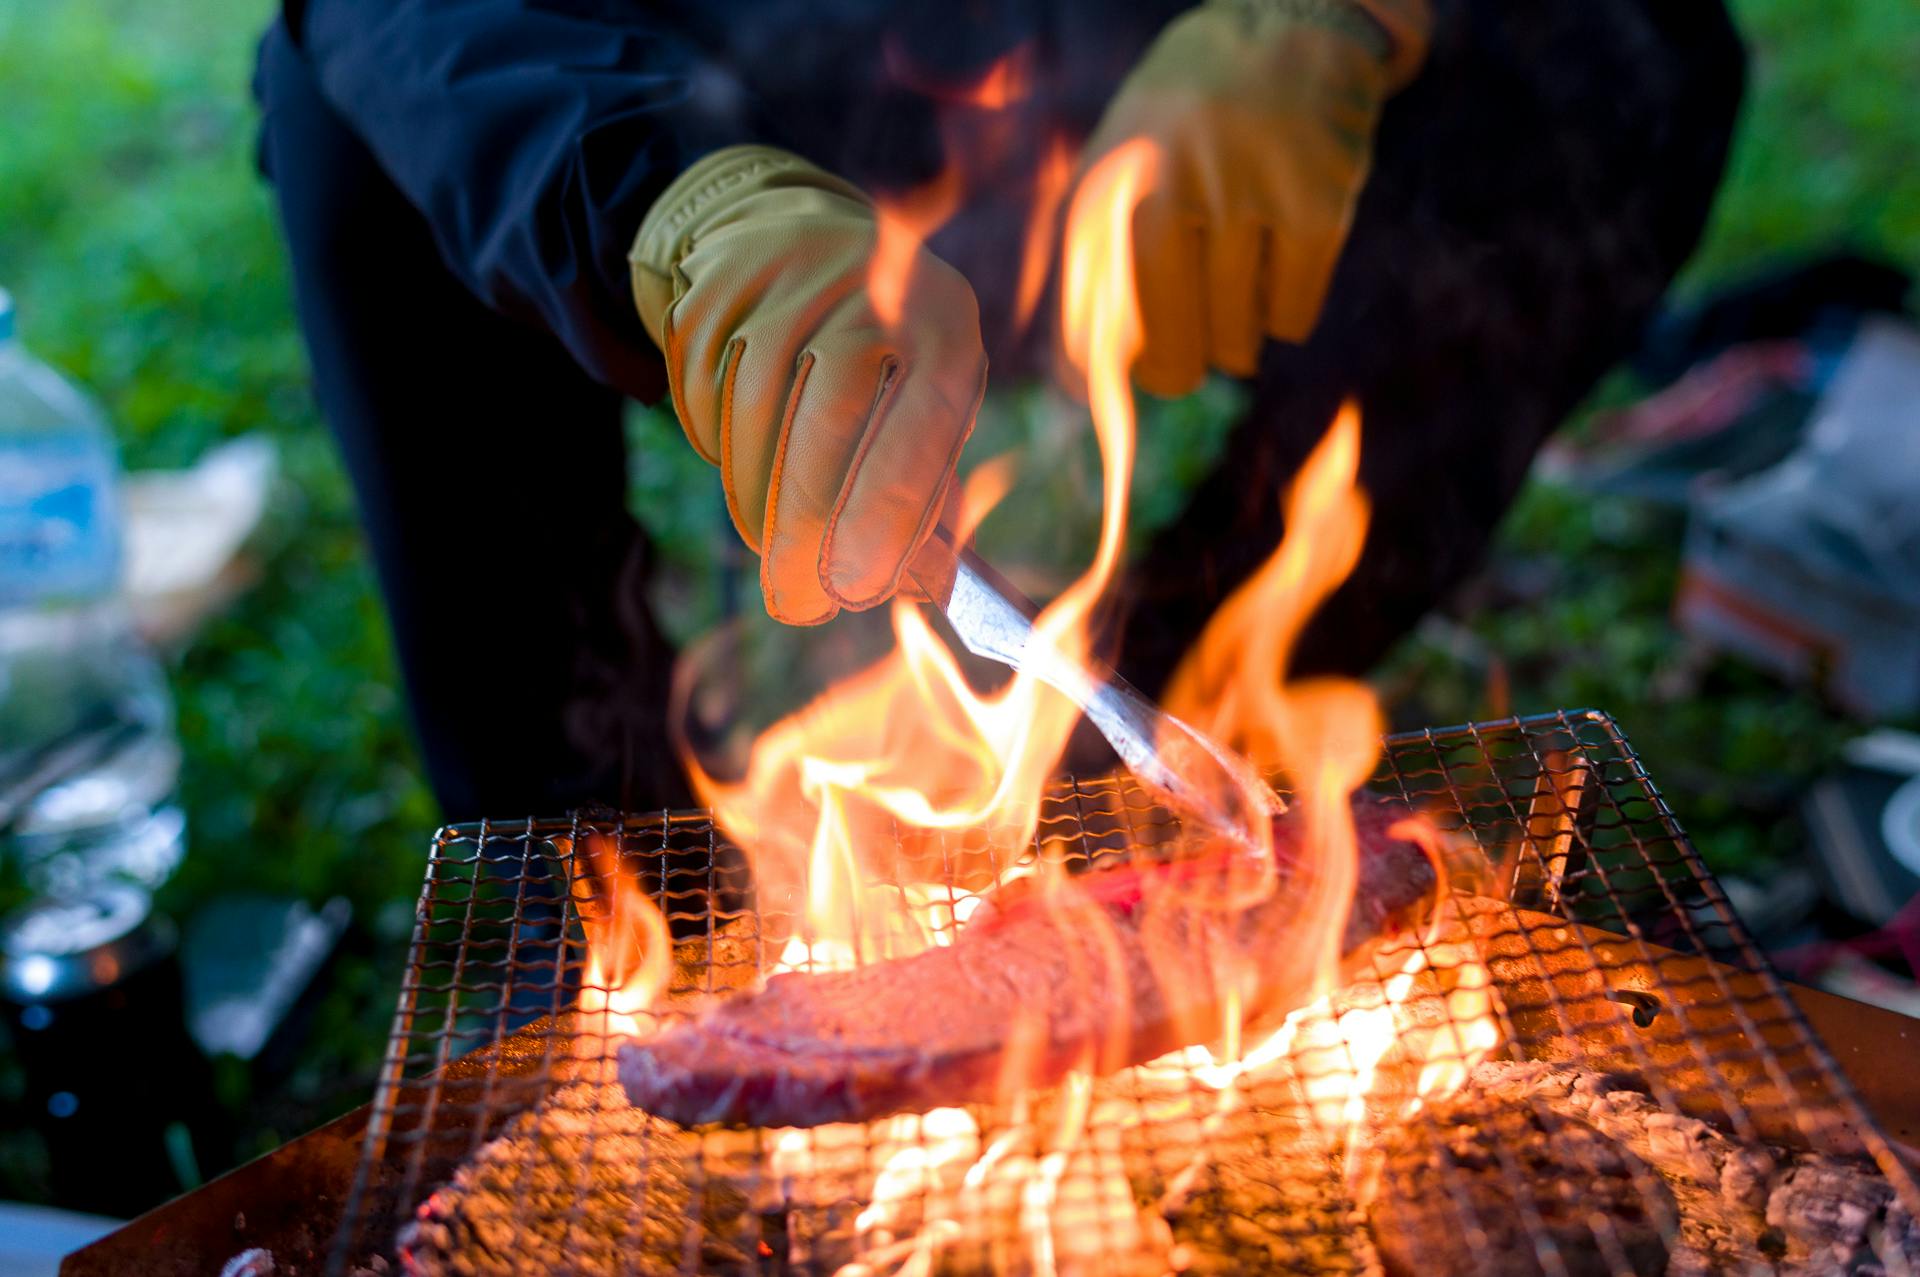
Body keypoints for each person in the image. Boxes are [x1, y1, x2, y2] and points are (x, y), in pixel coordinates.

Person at [254, 0, 1743, 822]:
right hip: (726, 80)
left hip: (1167, 66)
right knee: (350, 124)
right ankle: (581, 855)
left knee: (1619, 41)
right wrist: (652, 194)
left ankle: (1182, 705)